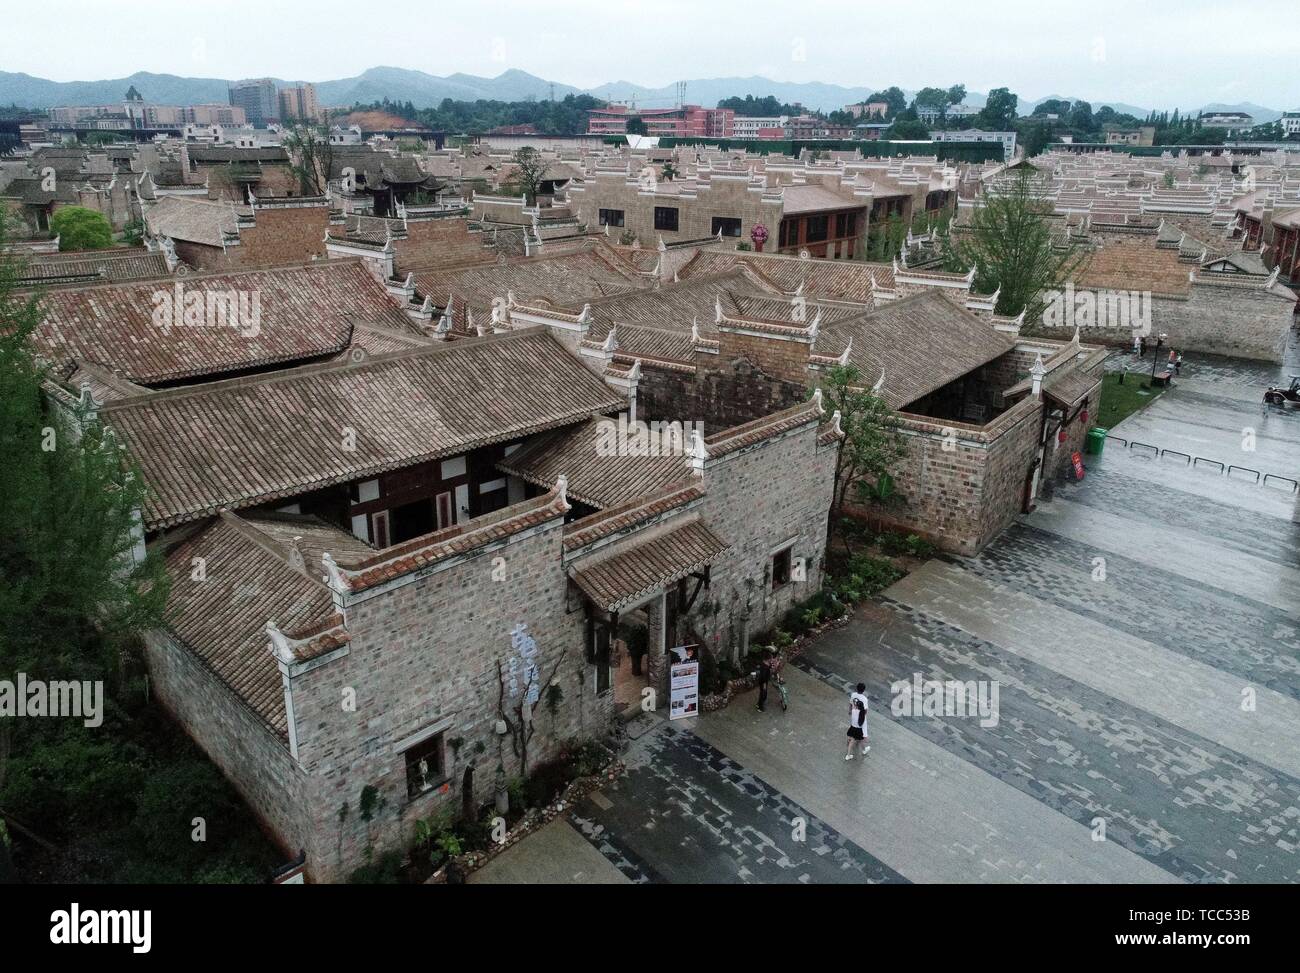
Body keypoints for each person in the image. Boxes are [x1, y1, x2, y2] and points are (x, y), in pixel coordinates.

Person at [845, 695, 869, 760]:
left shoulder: (853, 711)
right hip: (858, 729)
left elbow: (853, 704)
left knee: (853, 741)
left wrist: (854, 702)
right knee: (860, 740)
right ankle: (849, 755)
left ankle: (849, 755)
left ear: (856, 706)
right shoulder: (862, 713)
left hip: (852, 728)